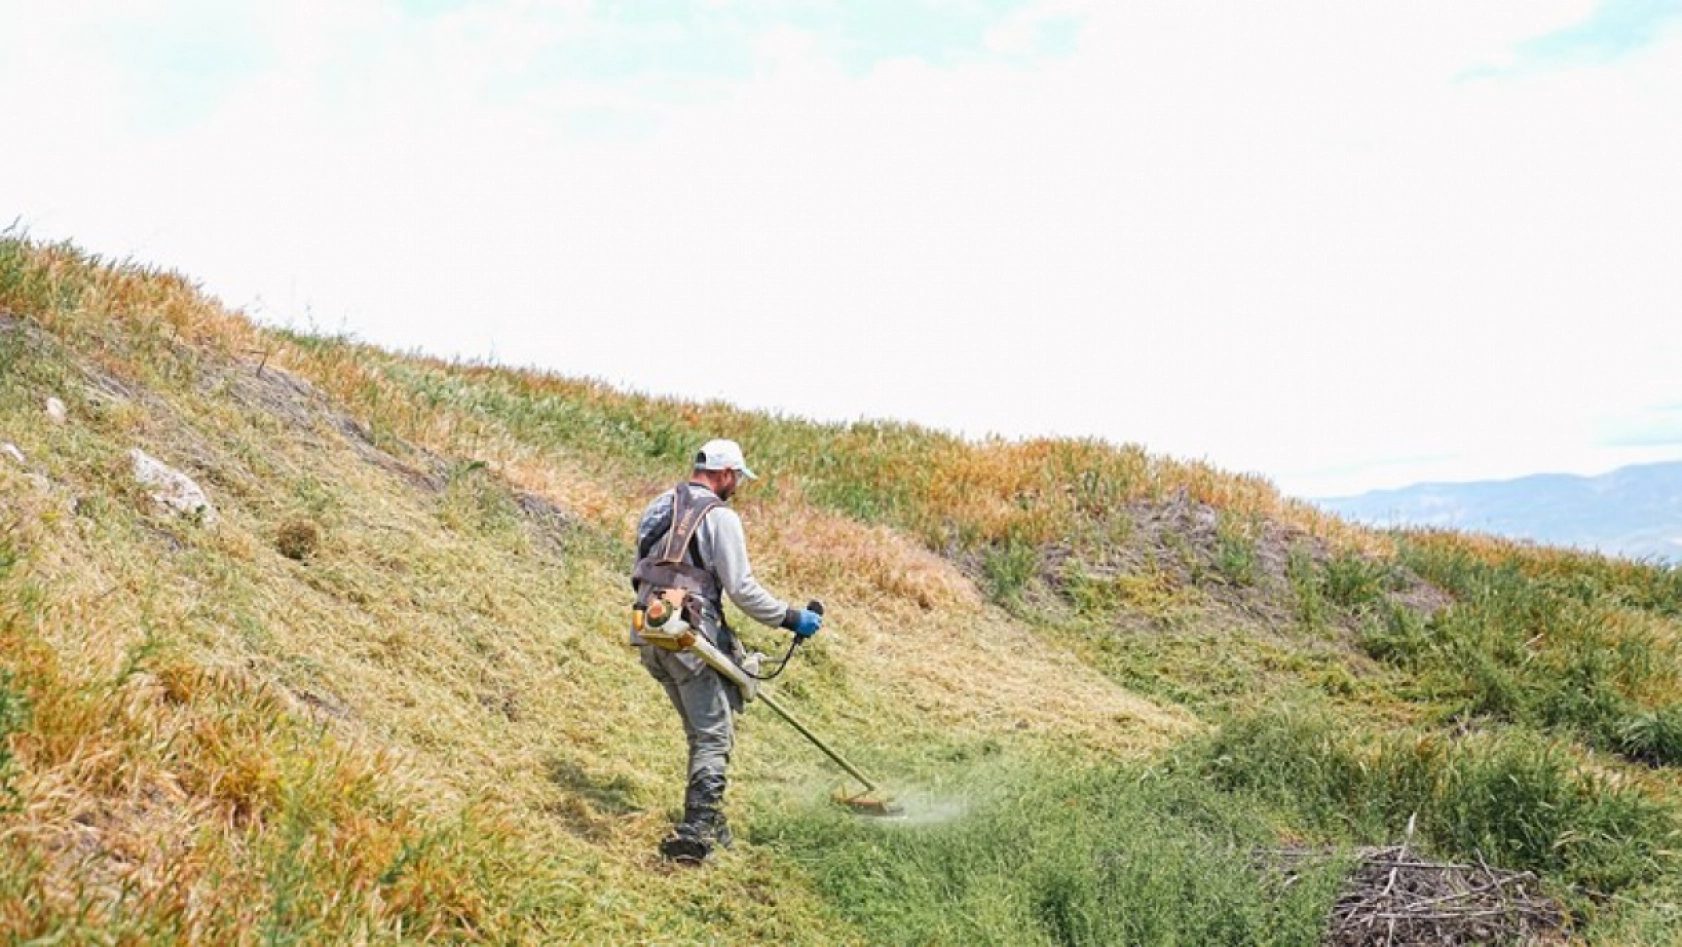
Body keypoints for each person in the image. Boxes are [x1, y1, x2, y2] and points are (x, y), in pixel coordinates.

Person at [631, 438, 824, 862]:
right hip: (688, 638)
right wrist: (791, 618)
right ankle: (695, 832)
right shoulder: (720, 517)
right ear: (724, 474)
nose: (736, 485)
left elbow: (639, 569)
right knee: (714, 735)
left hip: (649, 630)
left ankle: (714, 824)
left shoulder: (657, 506)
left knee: (703, 728)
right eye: (736, 477)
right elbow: (742, 589)